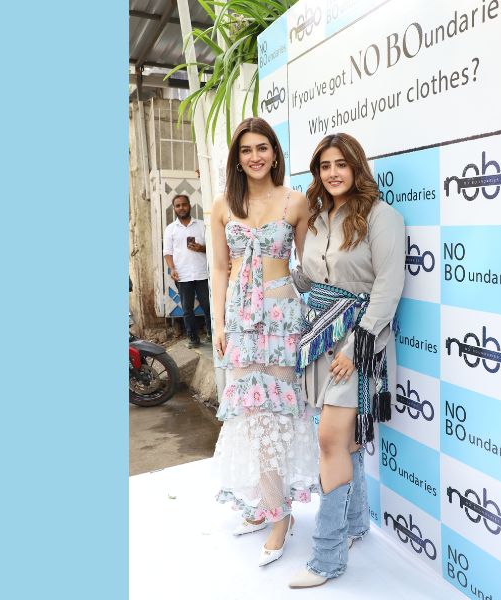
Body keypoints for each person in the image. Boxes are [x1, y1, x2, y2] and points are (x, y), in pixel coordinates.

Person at [289, 133, 406, 588]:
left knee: (329, 440)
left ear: (357, 167)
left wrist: (357, 347)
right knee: (346, 443)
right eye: (325, 165)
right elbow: (311, 279)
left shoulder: (381, 216)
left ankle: (327, 558)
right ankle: (356, 525)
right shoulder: (317, 217)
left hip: (359, 346)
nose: (333, 172)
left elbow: (388, 288)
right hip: (319, 340)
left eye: (341, 163)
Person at [210, 117, 319, 567]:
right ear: (237, 159)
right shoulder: (222, 206)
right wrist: (219, 323)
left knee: (276, 417)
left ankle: (280, 515)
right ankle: (268, 503)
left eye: (262, 148)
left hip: (281, 318)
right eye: (246, 150)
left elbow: (310, 266)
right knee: (252, 417)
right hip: (240, 320)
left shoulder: (296, 202)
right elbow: (220, 268)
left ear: (275, 153)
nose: (254, 156)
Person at [162, 194, 211, 348]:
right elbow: (167, 252)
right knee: (187, 309)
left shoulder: (202, 225)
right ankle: (193, 339)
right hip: (182, 275)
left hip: (202, 273)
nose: (181, 208)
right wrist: (172, 268)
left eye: (184, 204)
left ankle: (212, 335)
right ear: (174, 208)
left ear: (189, 206)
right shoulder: (170, 229)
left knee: (208, 306)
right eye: (178, 205)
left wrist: (201, 248)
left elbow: (212, 248)